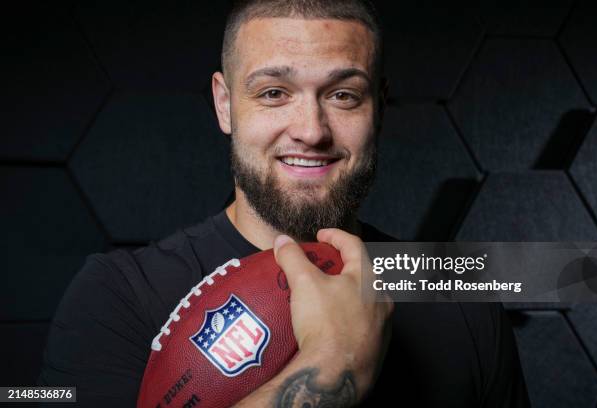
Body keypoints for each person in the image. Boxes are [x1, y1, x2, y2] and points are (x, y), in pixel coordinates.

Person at [39, 1, 531, 406]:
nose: (311, 130)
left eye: (343, 95)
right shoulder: (118, 298)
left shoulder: (460, 296)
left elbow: (589, 273)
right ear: (224, 104)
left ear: (379, 107)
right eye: (274, 93)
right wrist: (335, 362)